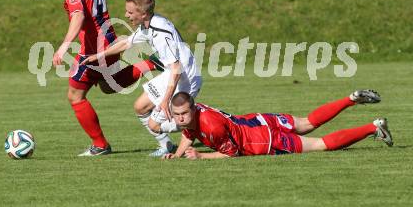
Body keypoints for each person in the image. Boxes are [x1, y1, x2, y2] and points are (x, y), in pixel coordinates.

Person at [50, 0, 178, 156]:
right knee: (109, 86)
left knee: (75, 96)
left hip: (92, 47)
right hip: (109, 40)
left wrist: (64, 46)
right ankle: (150, 63)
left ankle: (100, 145)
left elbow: (78, 16)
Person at [82, 0, 202, 157]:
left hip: (185, 77)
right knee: (140, 107)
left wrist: (166, 100)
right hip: (173, 72)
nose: (126, 15)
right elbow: (126, 43)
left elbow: (176, 69)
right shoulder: (147, 25)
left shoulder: (159, 33)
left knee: (155, 125)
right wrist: (97, 56)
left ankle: (201, 123)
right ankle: (167, 145)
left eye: (130, 12)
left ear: (144, 14)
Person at [163, 90, 393, 160]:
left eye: (184, 113)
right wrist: (179, 153)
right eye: (177, 115)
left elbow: (231, 154)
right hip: (259, 120)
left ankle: (374, 128)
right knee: (309, 122)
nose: (181, 118)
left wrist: (201, 157)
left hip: (264, 140)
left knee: (320, 145)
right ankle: (350, 99)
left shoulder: (211, 126)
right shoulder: (196, 110)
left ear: (193, 109)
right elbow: (188, 132)